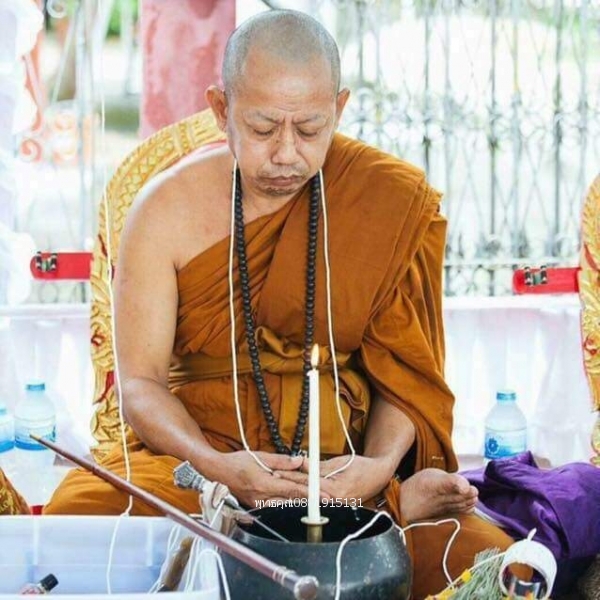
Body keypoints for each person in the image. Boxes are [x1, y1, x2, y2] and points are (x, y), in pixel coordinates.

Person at [43, 9, 514, 597]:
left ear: (339, 109)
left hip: (342, 471)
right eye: (264, 128)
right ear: (222, 110)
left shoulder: (383, 202)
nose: (287, 154)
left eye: (311, 129)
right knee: (80, 512)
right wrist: (217, 467)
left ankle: (387, 503)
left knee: (486, 559)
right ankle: (383, 510)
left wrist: (375, 469)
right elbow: (141, 385)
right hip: (205, 469)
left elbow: (404, 376)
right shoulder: (164, 212)